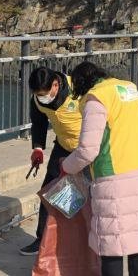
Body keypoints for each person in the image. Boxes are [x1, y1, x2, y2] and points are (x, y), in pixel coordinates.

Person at [59, 62, 138, 276]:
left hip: (114, 171)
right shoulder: (127, 89)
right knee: (136, 227)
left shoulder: (96, 99)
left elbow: (87, 150)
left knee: (111, 229)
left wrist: (66, 167)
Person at [21, 65, 83, 256]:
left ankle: (85, 243)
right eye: (38, 94)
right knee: (50, 191)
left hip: (88, 147)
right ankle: (42, 239)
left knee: (89, 195)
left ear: (56, 84)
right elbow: (38, 123)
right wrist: (38, 147)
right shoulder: (38, 100)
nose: (42, 97)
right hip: (63, 145)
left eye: (45, 93)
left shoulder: (79, 88)